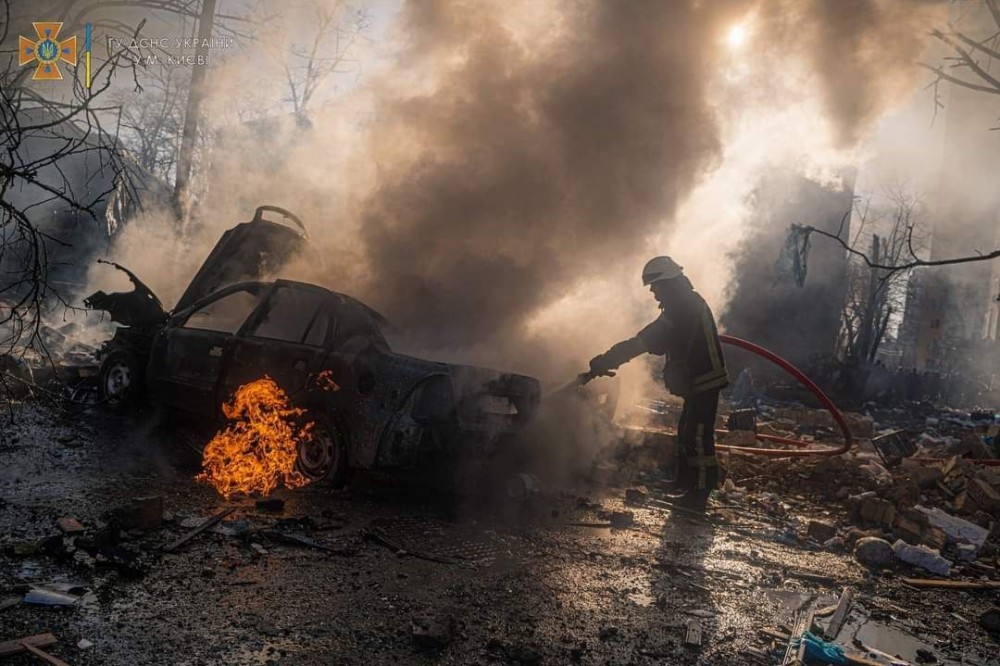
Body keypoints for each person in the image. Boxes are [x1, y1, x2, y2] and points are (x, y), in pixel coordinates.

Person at [589, 256, 728, 510]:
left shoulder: (683, 307)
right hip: (699, 379)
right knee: (687, 432)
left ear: (668, 282)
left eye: (655, 285)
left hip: (704, 379)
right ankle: (686, 485)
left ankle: (698, 494)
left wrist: (607, 359)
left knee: (697, 436)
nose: (653, 292)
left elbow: (646, 341)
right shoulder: (684, 303)